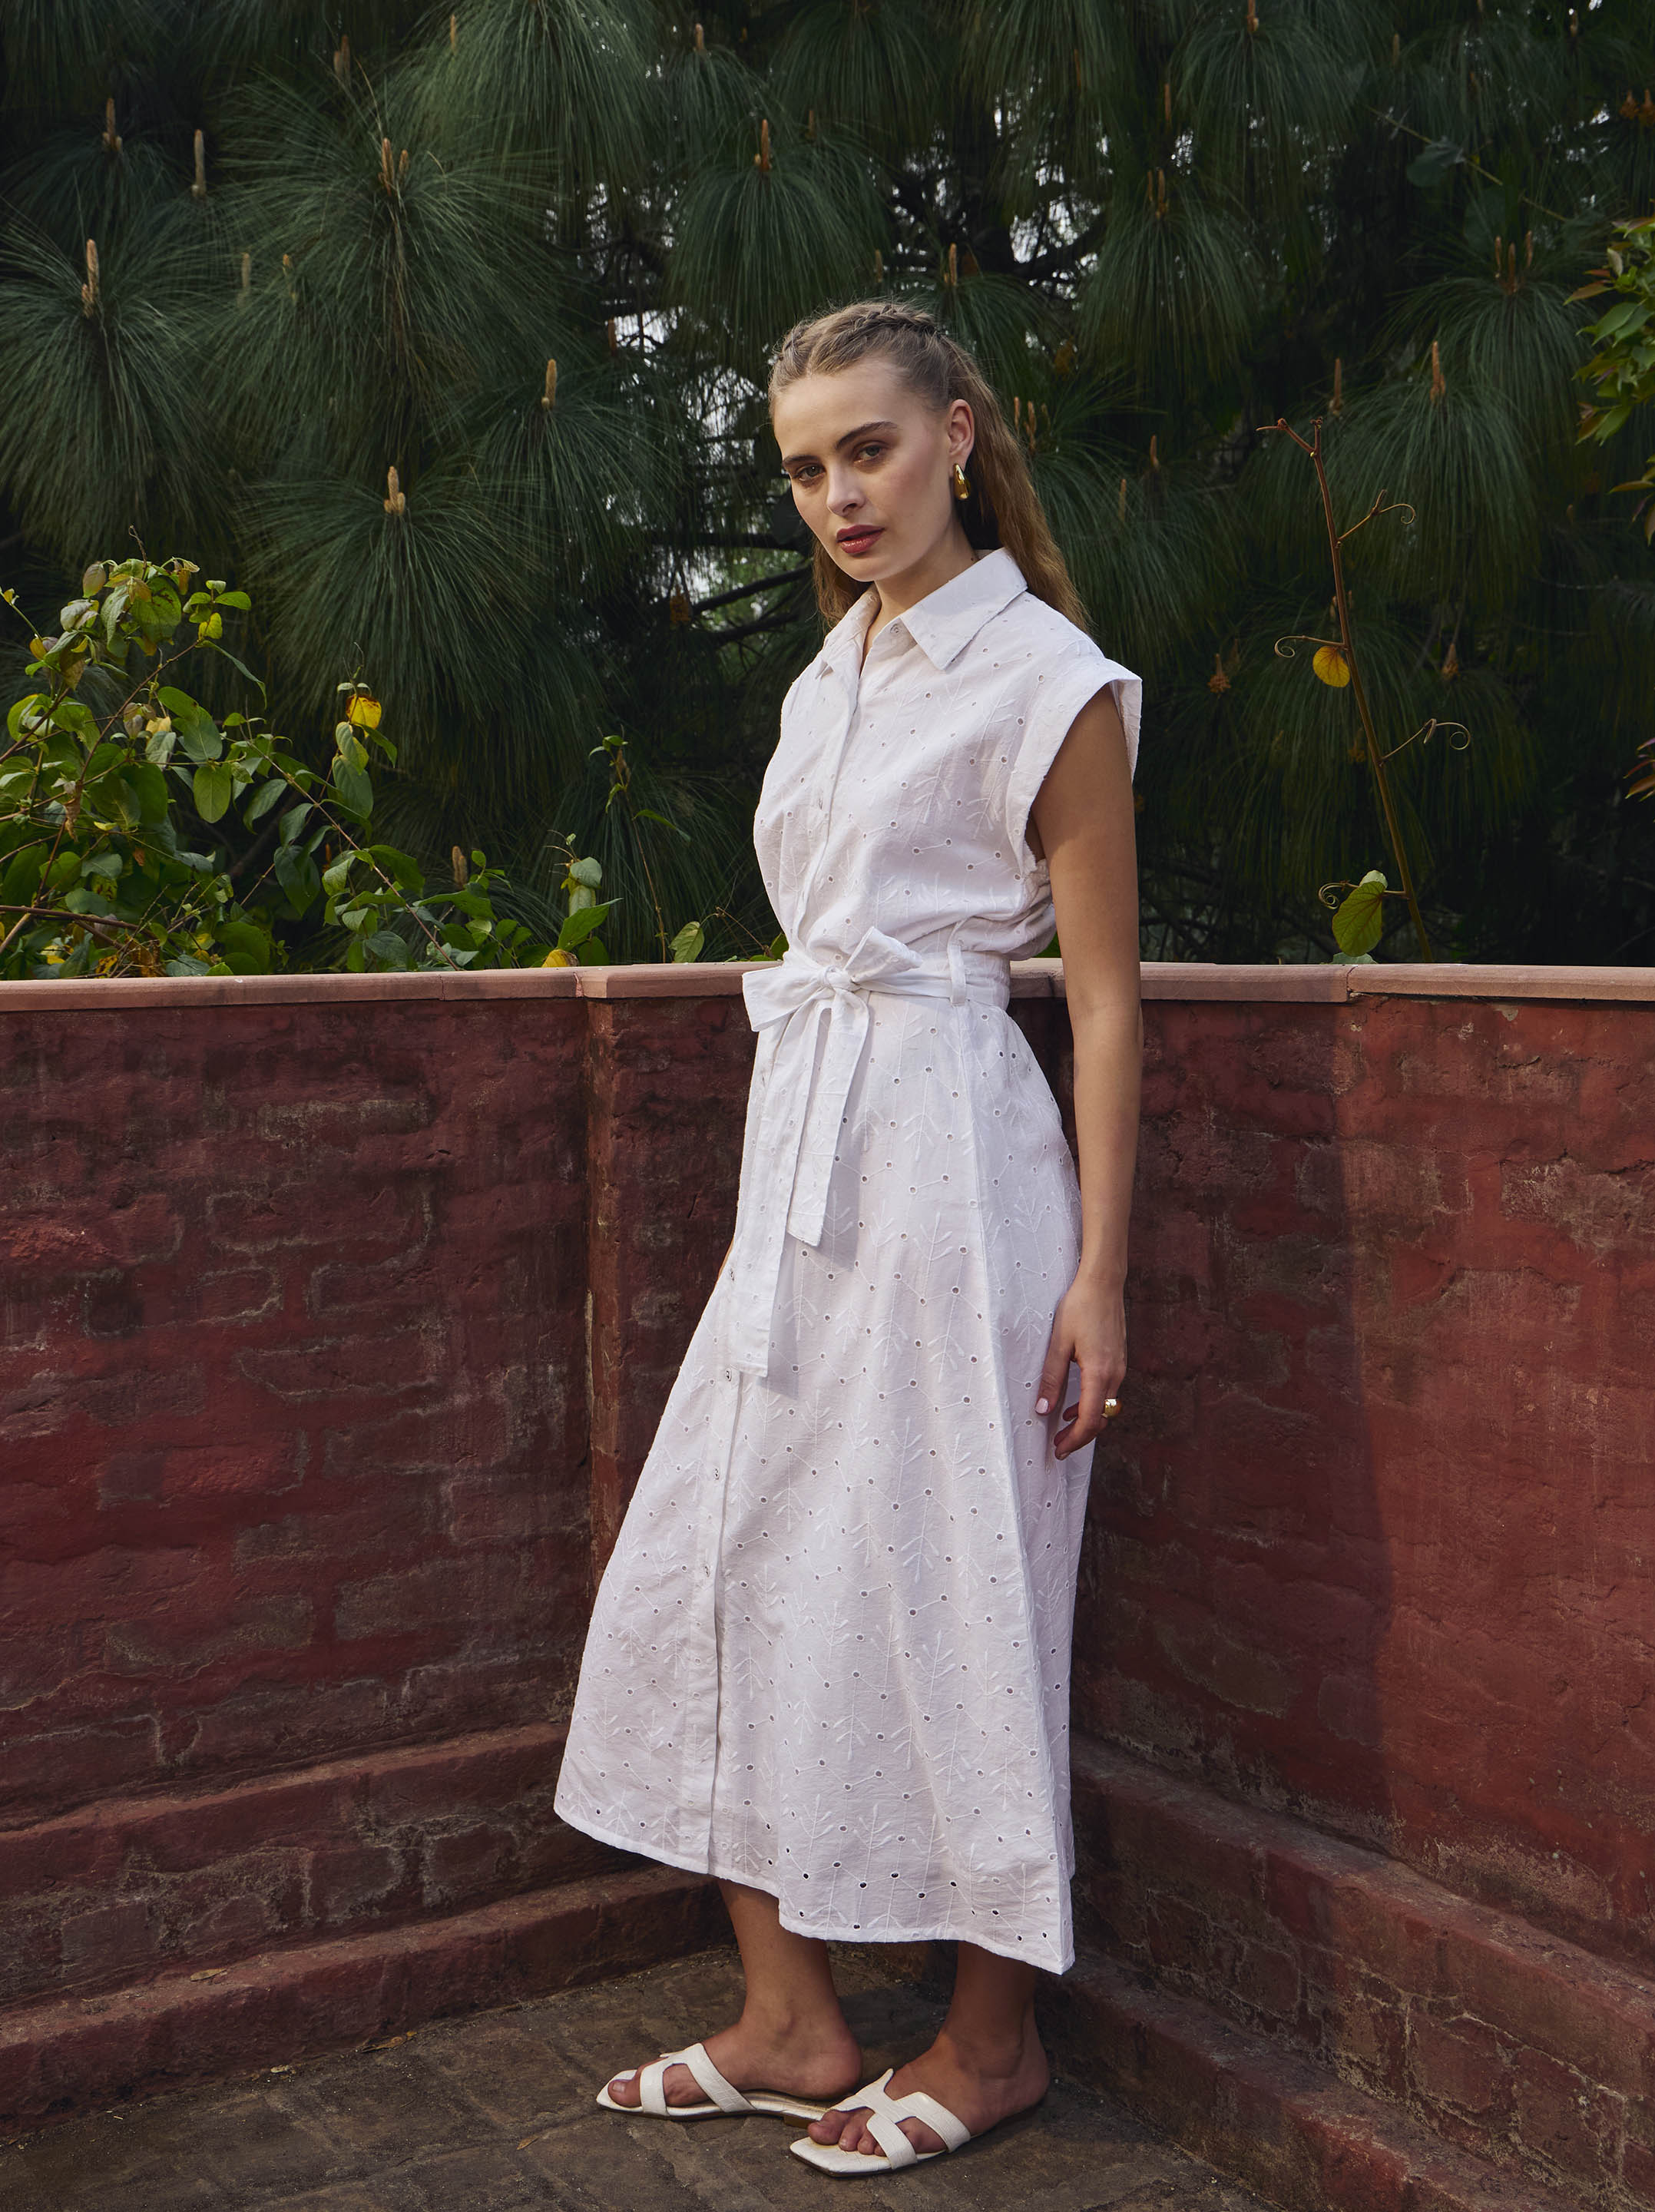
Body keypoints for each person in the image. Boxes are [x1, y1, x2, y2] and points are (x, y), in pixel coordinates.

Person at [553, 298, 1142, 2177]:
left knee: (965, 1583)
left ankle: (993, 2043)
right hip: (804, 1163)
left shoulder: (1049, 680)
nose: (838, 496)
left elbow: (1105, 1003)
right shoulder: (832, 675)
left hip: (960, 1173)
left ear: (959, 433)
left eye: (868, 449)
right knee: (728, 1556)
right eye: (806, 468)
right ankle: (793, 2020)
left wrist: (1100, 1273)